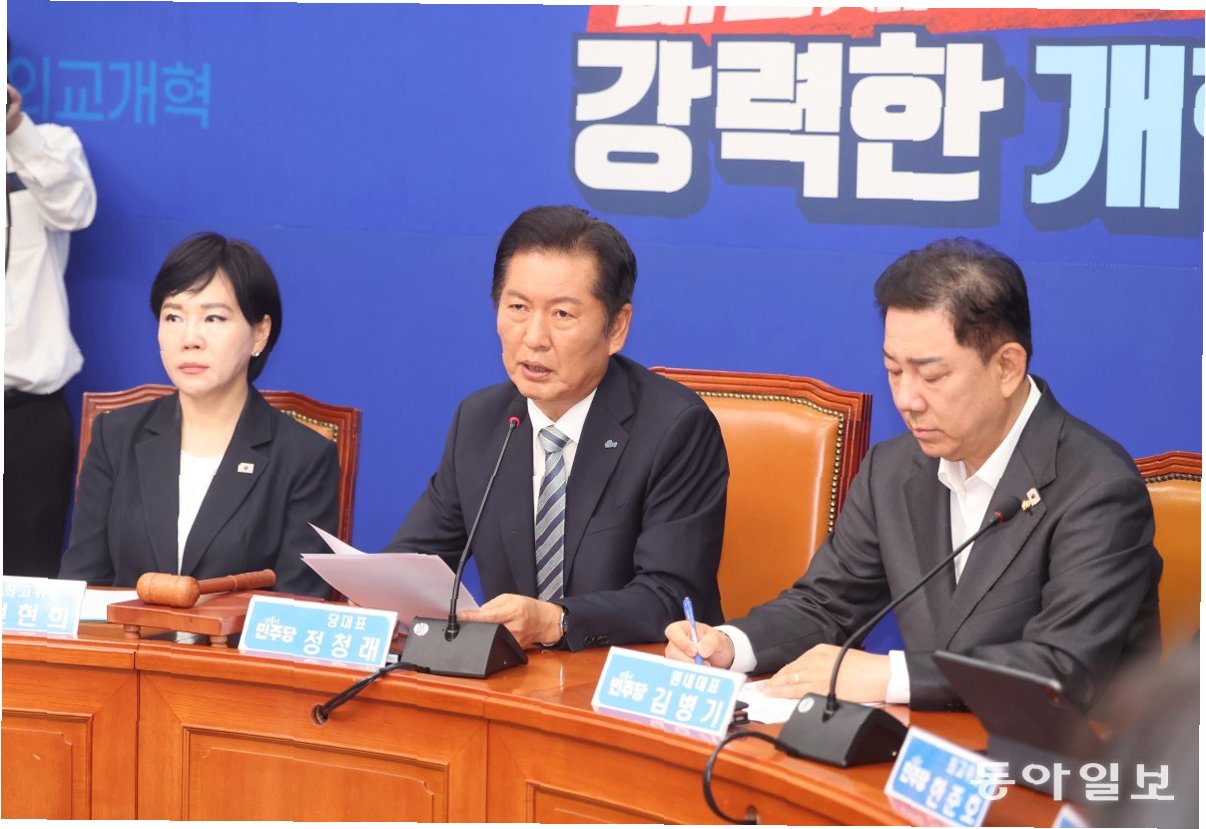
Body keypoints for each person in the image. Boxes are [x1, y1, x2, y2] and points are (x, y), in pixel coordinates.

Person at [666, 238, 1161, 711]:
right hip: (930, 744)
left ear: (1008, 367)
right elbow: (827, 605)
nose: (907, 399)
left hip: (1065, 757)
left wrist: (890, 676)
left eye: (932, 375)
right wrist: (729, 645)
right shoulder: (894, 469)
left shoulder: (1097, 488)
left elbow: (1063, 667)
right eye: (894, 370)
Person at [387, 205, 728, 650]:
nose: (534, 338)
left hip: (624, 671)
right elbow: (415, 562)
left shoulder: (675, 428)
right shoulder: (481, 420)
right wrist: (381, 596)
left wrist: (558, 621)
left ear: (617, 327)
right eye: (518, 307)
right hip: (515, 678)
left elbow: (670, 597)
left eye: (562, 314)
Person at [58, 233, 339, 597]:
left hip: (236, 638)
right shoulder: (116, 436)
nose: (189, 338)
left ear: (259, 333)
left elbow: (296, 606)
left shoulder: (304, 457)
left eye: (213, 318)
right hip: (124, 635)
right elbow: (80, 586)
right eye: (173, 316)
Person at [4, 81, 97, 578]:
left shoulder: (51, 144)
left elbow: (74, 210)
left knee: (25, 582)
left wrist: (15, 129)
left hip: (26, 415)